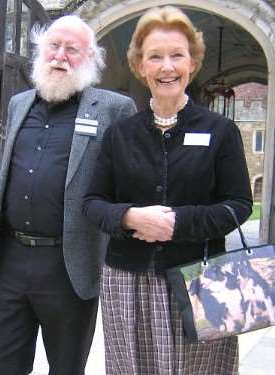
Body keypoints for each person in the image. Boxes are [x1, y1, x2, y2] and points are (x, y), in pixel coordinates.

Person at [83, 6, 253, 375]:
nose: (166, 67)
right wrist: (129, 217)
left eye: (177, 55)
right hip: (127, 282)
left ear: (192, 63)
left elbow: (238, 205)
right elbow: (92, 203)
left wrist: (178, 223)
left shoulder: (220, 131)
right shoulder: (120, 135)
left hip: (203, 279)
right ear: (140, 66)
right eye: (155, 57)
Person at [0, 15, 136, 375]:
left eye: (72, 49)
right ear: (40, 50)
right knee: (0, 365)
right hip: (10, 259)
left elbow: (129, 181)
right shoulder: (19, 104)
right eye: (54, 46)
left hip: (69, 266)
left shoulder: (114, 108)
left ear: (91, 58)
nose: (60, 56)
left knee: (66, 368)